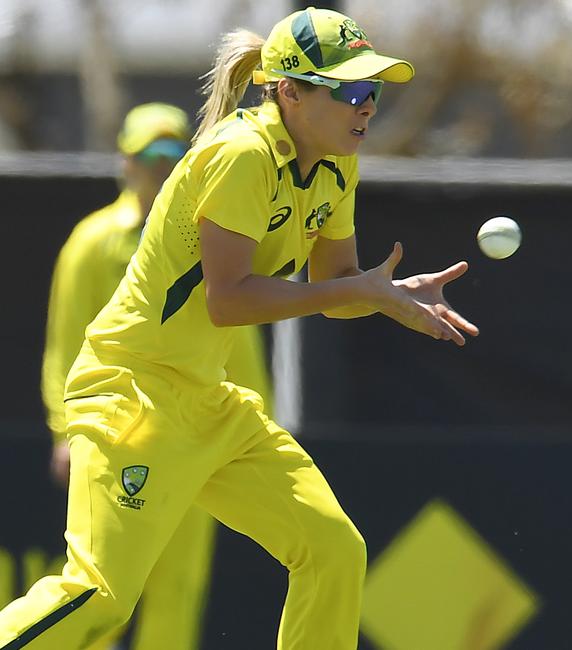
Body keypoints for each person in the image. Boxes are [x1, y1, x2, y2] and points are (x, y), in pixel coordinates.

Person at [0, 7, 478, 649]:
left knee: (333, 549)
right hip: (132, 396)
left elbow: (333, 284)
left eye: (375, 91)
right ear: (291, 92)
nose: (367, 108)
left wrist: (386, 296)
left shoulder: (338, 164)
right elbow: (230, 301)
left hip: (206, 400)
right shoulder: (240, 155)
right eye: (352, 92)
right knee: (100, 596)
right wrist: (355, 289)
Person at [39, 102, 273, 650]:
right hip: (121, 433)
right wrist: (63, 430)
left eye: (176, 154)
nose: (163, 167)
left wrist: (260, 423)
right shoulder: (92, 242)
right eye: (152, 154)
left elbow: (240, 340)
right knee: (102, 589)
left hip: (196, 433)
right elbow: (66, 341)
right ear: (126, 162)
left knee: (179, 588)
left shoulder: (218, 236)